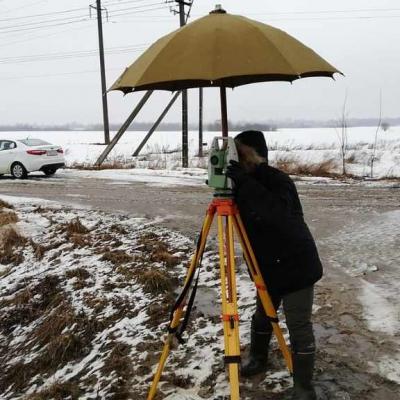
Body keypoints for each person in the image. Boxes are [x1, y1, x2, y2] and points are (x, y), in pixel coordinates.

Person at [225, 130, 323, 400]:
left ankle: (304, 389)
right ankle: (258, 358)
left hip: (296, 266)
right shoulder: (242, 182)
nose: (236, 160)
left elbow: (278, 214)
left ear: (254, 156)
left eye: (239, 154)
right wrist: (224, 185)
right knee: (262, 316)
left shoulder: (278, 180)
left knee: (298, 324)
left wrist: (243, 184)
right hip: (267, 268)